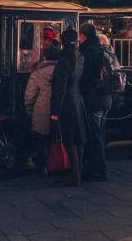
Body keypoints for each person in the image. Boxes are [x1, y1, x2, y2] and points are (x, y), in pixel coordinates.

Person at [50, 28, 88, 186]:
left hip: (67, 103)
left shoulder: (63, 60)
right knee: (78, 139)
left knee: (69, 139)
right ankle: (77, 174)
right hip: (78, 100)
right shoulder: (80, 56)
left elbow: (60, 88)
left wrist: (55, 111)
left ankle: (74, 176)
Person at [78, 23, 111, 182]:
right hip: (105, 98)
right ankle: (98, 168)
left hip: (94, 99)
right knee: (99, 135)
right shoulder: (100, 49)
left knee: (94, 136)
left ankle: (98, 171)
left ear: (83, 36)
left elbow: (84, 78)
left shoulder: (86, 51)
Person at [25, 44, 59, 175]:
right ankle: (56, 164)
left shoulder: (39, 72)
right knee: (54, 139)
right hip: (59, 110)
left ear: (44, 56)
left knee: (41, 140)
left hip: (42, 110)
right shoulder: (61, 69)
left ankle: (43, 167)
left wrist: (29, 110)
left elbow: (30, 94)